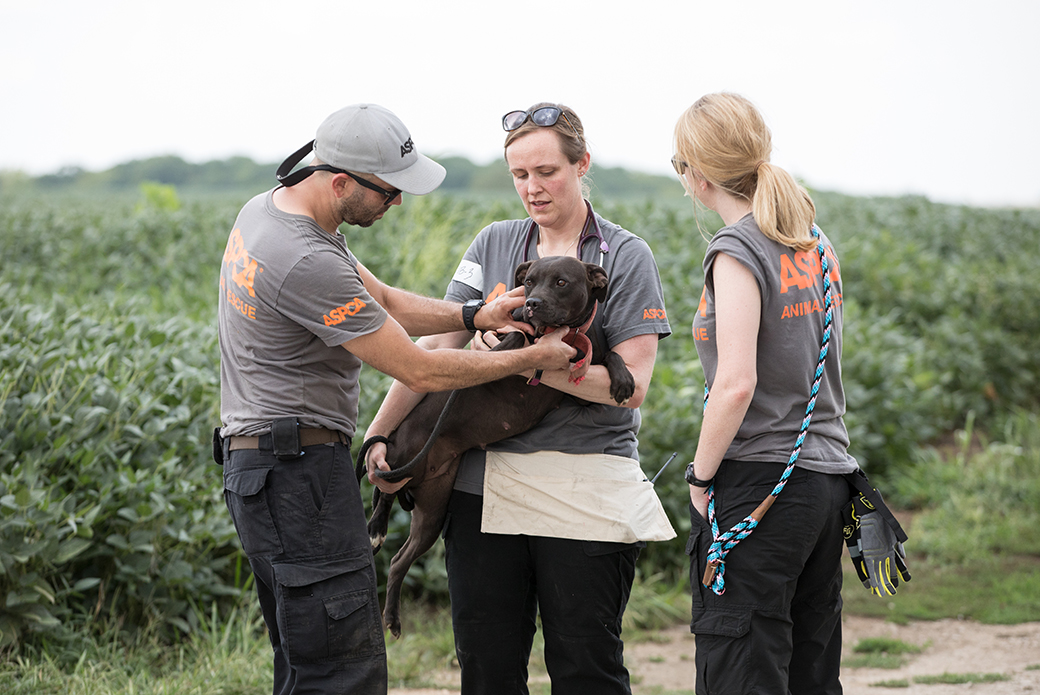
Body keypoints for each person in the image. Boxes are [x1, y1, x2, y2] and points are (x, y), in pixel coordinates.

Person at [216, 103, 576, 695]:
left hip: (266, 470)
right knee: (343, 671)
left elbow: (380, 296)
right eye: (389, 191)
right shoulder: (305, 259)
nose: (398, 203)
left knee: (304, 661)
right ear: (339, 182)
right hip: (298, 476)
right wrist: (532, 358)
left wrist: (474, 313)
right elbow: (420, 367)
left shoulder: (269, 214)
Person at [364, 102, 675, 695]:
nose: (532, 189)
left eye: (547, 172)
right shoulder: (495, 243)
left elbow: (628, 389)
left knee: (587, 667)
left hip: (585, 486)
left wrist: (515, 357)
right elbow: (433, 348)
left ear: (582, 164)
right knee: (487, 668)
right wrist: (379, 434)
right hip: (484, 489)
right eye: (519, 175)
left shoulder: (625, 256)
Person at [674, 92, 859, 694]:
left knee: (741, 673)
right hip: (827, 483)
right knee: (809, 672)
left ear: (697, 175)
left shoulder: (738, 249)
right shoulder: (813, 241)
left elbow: (735, 383)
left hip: (760, 484)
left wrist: (701, 480)